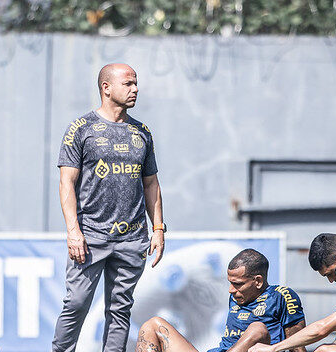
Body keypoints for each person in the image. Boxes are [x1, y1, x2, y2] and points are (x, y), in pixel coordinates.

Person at [53, 63, 166, 352]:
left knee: (119, 310)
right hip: (91, 236)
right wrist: (73, 232)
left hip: (132, 238)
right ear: (106, 87)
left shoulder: (142, 132)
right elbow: (67, 183)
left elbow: (151, 184)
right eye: (128, 83)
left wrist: (158, 229)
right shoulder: (81, 128)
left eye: (136, 83)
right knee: (76, 302)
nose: (135, 89)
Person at [136, 249, 306, 352]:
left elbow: (298, 343)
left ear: (258, 281)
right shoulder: (236, 296)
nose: (231, 290)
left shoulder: (282, 296)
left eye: (237, 284)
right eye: (230, 283)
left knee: (257, 329)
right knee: (152, 325)